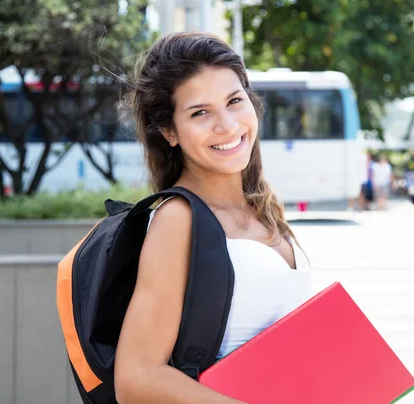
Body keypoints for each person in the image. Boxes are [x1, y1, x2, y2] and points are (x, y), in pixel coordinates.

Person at [114, 32, 311, 403]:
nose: (227, 125)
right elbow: (137, 378)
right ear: (170, 132)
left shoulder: (263, 207)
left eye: (234, 101)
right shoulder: (179, 219)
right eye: (200, 112)